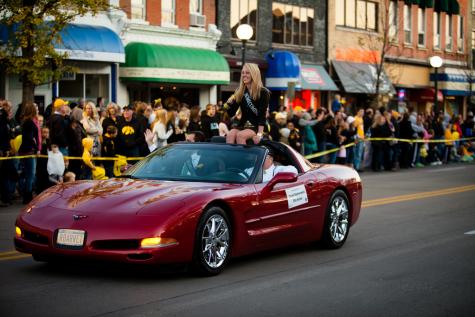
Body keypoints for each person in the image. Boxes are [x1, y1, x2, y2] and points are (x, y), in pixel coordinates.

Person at [223, 63, 270, 144]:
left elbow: (262, 114)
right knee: (230, 134)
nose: (244, 75)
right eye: (243, 72)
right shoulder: (240, 91)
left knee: (240, 135)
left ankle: (243, 157)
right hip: (243, 125)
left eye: (247, 73)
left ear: (254, 74)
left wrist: (259, 134)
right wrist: (228, 105)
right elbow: (231, 113)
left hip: (256, 126)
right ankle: (230, 156)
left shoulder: (263, 92)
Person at [18, 102, 40, 204]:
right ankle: (27, 196)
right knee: (30, 174)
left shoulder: (27, 121)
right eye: (35, 108)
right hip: (28, 151)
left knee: (28, 174)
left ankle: (27, 194)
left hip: (27, 150)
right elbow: (29, 137)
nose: (37, 110)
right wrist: (36, 148)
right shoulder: (29, 122)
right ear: (32, 110)